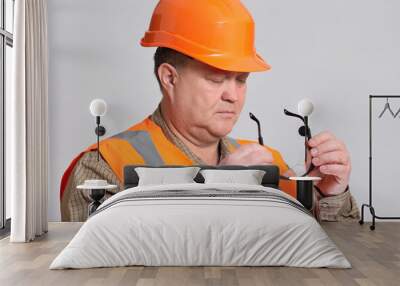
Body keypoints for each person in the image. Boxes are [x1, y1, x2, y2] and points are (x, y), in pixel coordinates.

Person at [60, 0, 359, 222]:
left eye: (241, 79)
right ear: (170, 78)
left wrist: (330, 194)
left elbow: (323, 252)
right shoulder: (102, 166)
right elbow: (103, 269)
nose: (233, 95)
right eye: (216, 78)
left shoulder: (269, 163)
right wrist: (219, 187)